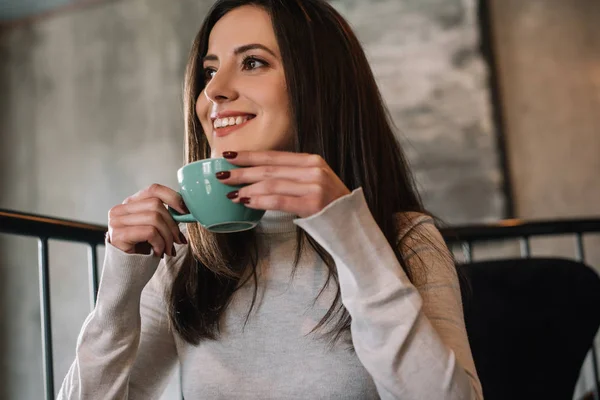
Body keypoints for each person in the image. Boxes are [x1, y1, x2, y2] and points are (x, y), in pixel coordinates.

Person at [58, 0, 483, 398]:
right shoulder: (186, 259)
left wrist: (351, 235)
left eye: (253, 62)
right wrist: (117, 291)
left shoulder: (406, 238)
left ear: (319, 86)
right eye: (209, 71)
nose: (214, 92)